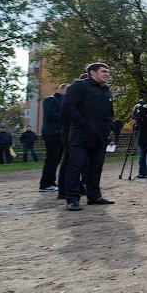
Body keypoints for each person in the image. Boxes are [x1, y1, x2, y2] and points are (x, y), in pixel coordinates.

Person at [59, 63, 115, 210]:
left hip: (100, 136)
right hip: (80, 135)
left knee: (96, 167)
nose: (107, 74)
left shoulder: (106, 91)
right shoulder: (79, 86)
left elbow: (109, 113)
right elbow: (68, 107)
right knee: (76, 166)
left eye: (108, 72)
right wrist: (82, 123)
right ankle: (72, 199)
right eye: (104, 71)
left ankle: (94, 196)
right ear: (92, 73)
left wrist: (110, 127)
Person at [39, 84, 68, 191]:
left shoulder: (63, 101)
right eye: (67, 90)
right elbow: (50, 115)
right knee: (51, 159)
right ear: (60, 89)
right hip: (52, 133)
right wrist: (66, 115)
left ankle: (51, 182)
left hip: (60, 134)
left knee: (56, 159)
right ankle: (45, 184)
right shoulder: (50, 100)